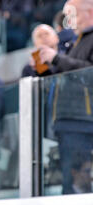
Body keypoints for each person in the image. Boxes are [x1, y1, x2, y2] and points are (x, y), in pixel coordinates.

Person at [38, 0, 93, 194]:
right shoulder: (77, 41)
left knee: (78, 183)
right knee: (70, 182)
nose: (69, 20)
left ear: (90, 12)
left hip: (81, 121)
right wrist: (42, 65)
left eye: (73, 14)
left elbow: (88, 72)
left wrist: (56, 58)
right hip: (68, 121)